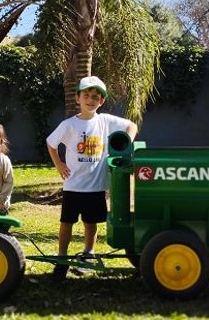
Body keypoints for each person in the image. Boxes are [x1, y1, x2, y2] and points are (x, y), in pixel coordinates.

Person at [46, 76, 138, 280]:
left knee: (91, 224)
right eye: (86, 95)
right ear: (77, 98)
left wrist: (126, 141)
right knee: (66, 223)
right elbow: (51, 143)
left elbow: (132, 126)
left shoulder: (106, 121)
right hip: (73, 186)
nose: (90, 100)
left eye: (95, 97)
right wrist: (59, 164)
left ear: (101, 101)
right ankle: (62, 258)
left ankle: (88, 255)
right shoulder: (68, 124)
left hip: (95, 187)